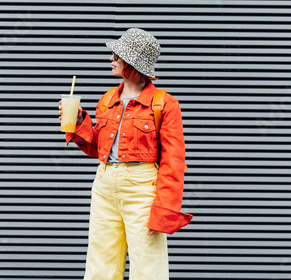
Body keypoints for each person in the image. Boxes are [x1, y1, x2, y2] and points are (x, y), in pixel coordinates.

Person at [59, 28, 192, 280]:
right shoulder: (108, 98)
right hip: (104, 185)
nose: (111, 59)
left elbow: (173, 162)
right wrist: (78, 122)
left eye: (116, 55)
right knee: (100, 261)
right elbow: (99, 148)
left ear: (132, 63)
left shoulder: (165, 104)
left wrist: (164, 209)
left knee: (147, 264)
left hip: (142, 189)